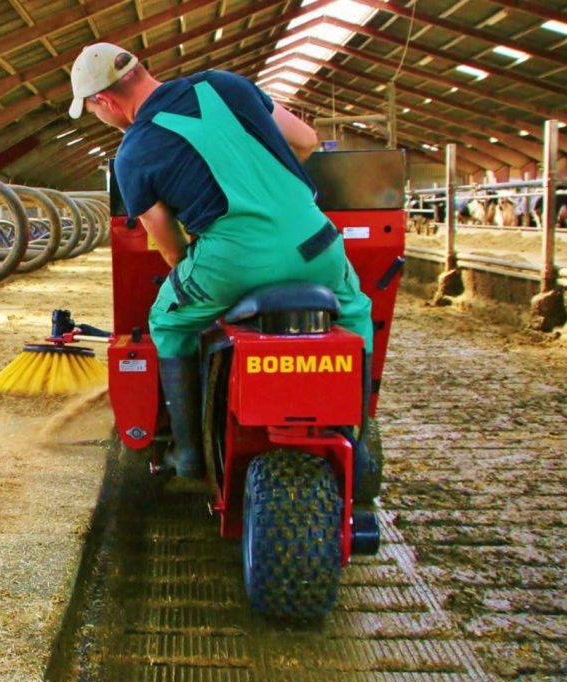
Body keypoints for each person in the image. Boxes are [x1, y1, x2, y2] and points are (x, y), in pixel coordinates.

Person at [69, 43, 373, 483]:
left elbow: (170, 247)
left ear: (105, 101)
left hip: (232, 263)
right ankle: (357, 444)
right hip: (317, 243)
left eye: (94, 111)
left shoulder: (134, 153)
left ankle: (189, 452)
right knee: (356, 309)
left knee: (169, 321)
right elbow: (305, 141)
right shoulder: (225, 84)